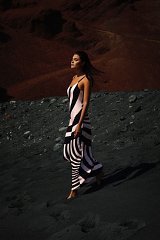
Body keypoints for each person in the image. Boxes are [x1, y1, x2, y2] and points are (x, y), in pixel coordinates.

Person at [63, 50, 104, 200]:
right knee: (68, 151)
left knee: (76, 155)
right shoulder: (74, 78)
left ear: (83, 62)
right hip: (72, 120)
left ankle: (74, 190)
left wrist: (79, 124)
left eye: (76, 59)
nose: (72, 61)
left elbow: (85, 102)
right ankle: (98, 169)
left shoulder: (86, 79)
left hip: (81, 121)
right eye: (72, 58)